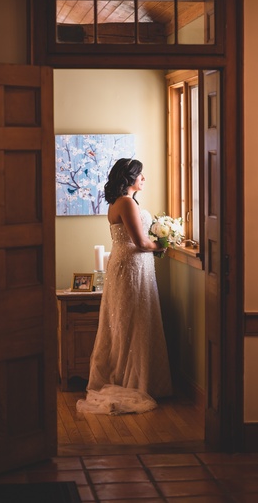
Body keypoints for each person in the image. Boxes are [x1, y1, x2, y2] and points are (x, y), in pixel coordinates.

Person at [76, 158, 172, 415]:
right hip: (131, 266)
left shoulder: (119, 202)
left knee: (129, 321)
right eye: (141, 175)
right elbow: (140, 242)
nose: (144, 179)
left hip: (130, 264)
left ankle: (139, 379)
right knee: (132, 321)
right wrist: (163, 244)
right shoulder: (126, 203)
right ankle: (131, 382)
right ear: (129, 177)